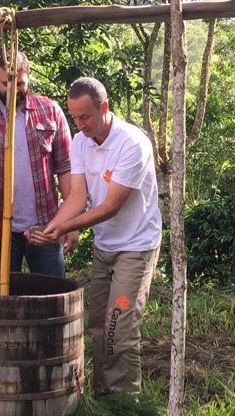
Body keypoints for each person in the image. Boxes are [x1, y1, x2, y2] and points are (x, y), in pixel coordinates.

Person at [27, 77, 161, 397]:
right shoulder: (80, 142)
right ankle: (104, 398)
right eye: (74, 117)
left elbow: (111, 206)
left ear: (104, 108)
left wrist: (64, 228)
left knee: (119, 327)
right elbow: (76, 197)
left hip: (136, 247)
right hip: (105, 246)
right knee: (99, 325)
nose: (80, 124)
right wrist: (51, 228)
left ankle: (126, 404)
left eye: (85, 116)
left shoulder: (132, 144)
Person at [0, 51, 78, 278]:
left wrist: (71, 223)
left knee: (52, 291)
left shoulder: (50, 111)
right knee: (4, 296)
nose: (13, 90)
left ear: (29, 78)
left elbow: (66, 169)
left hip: (46, 225)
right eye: (5, 83)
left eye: (20, 84)